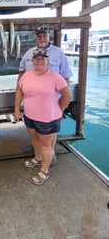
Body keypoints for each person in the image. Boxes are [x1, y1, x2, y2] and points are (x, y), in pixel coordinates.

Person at [15, 49, 72, 185]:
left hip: (48, 119)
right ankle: (37, 158)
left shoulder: (55, 77)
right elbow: (19, 92)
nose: (39, 61)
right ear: (32, 61)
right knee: (34, 139)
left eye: (42, 59)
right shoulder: (26, 75)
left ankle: (44, 171)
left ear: (48, 61)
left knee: (46, 145)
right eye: (37, 59)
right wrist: (17, 109)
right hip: (30, 116)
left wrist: (59, 110)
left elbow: (67, 95)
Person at [18, 25, 73, 165]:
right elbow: (21, 75)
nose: (42, 38)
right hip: (33, 104)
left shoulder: (58, 53)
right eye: (39, 36)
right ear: (35, 38)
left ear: (49, 37)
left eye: (45, 36)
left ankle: (50, 155)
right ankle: (39, 154)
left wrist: (60, 108)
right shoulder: (29, 53)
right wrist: (18, 104)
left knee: (51, 133)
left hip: (52, 104)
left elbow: (65, 77)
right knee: (36, 133)